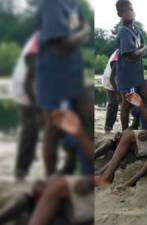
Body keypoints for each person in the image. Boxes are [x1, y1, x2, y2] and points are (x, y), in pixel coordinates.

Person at [36, 0, 90, 176]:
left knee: (76, 122)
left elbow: (77, 31)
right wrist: (84, 31)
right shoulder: (52, 4)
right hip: (54, 79)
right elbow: (61, 45)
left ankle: (69, 167)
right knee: (53, 127)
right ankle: (50, 178)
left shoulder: (72, 5)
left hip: (71, 76)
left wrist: (82, 32)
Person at [10, 32, 43, 180]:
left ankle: (29, 156)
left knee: (36, 127)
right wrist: (37, 107)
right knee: (30, 128)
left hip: (34, 86)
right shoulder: (40, 41)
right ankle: (21, 169)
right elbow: (28, 82)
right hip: (25, 88)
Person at [115, 0, 147, 130]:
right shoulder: (123, 31)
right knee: (126, 103)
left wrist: (142, 50)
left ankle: (134, 126)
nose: (130, 12)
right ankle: (124, 131)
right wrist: (143, 50)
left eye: (131, 9)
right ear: (120, 14)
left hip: (137, 74)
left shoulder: (136, 30)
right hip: (127, 75)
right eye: (126, 10)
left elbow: (145, 46)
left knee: (138, 100)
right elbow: (131, 55)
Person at [102, 49, 120, 133]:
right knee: (113, 103)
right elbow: (112, 78)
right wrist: (118, 92)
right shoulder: (117, 57)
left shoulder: (122, 50)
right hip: (110, 81)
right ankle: (108, 127)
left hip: (116, 79)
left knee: (116, 103)